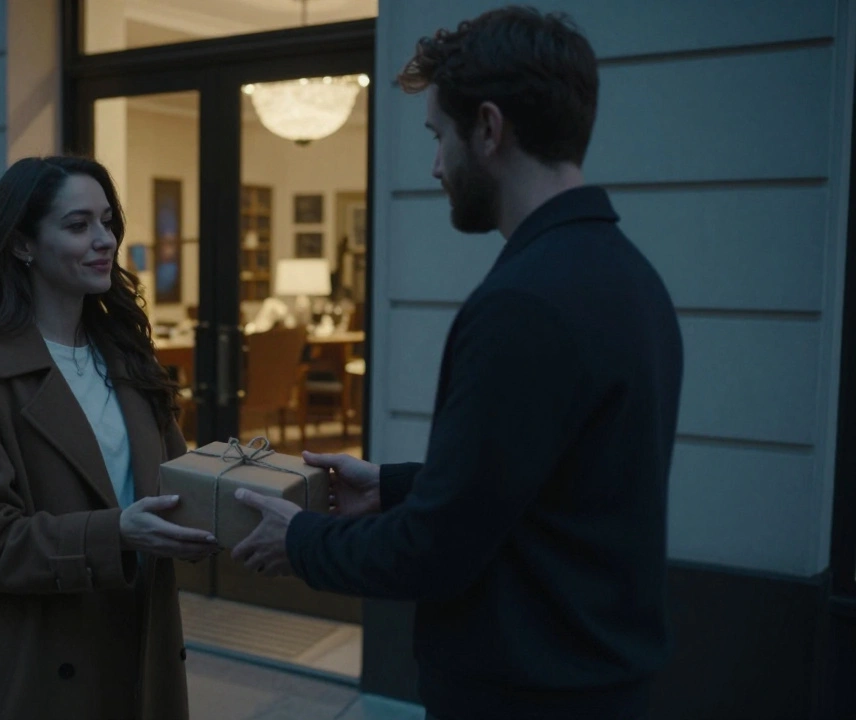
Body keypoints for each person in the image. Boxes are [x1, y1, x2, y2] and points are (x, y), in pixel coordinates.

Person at [230, 7, 684, 720]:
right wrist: (392, 487)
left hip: (525, 695)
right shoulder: (630, 275)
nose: (437, 165)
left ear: (489, 129)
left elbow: (436, 550)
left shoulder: (524, 303)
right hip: (592, 683)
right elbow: (538, 484)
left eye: (438, 136)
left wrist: (302, 540)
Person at [0, 156, 220, 720]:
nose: (104, 240)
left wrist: (237, 510)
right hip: (40, 661)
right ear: (23, 245)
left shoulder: (126, 353)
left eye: (107, 222)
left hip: (142, 643)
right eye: (78, 225)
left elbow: (173, 481)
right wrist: (119, 533)